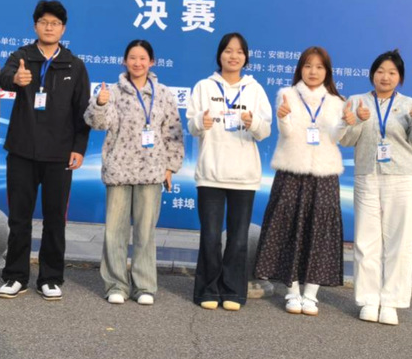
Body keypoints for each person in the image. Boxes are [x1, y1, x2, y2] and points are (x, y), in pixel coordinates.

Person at [0, 0, 91, 300]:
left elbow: (83, 111)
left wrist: (79, 148)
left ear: (63, 29)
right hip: (22, 151)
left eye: (55, 23)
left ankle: (50, 278)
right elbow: (4, 76)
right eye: (44, 22)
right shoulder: (22, 57)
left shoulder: (74, 65)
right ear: (35, 25)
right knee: (19, 218)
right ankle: (15, 276)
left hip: (59, 155)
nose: (49, 27)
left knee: (54, 219)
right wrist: (15, 78)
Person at [254, 46, 355, 315]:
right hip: (292, 171)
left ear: (327, 72)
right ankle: (292, 292)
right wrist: (283, 117)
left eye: (319, 67)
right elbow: (286, 133)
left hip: (324, 174)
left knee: (319, 233)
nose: (313, 72)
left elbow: (337, 137)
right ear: (300, 68)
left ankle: (311, 295)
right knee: (290, 230)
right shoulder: (287, 95)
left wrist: (346, 123)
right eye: (308, 66)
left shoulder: (336, 101)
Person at [84, 40, 184, 306]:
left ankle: (144, 286)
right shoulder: (113, 92)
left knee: (145, 232)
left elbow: (173, 132)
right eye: (132, 58)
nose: (137, 63)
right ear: (124, 61)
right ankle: (116, 284)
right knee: (114, 232)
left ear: (152, 62)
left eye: (142, 58)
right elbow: (97, 123)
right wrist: (101, 104)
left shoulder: (164, 94)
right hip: (119, 170)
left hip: (152, 171)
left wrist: (170, 167)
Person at [340, 49, 412, 325]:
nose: (385, 77)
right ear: (372, 75)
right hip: (367, 176)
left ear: (400, 77)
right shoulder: (356, 101)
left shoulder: (410, 104)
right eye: (380, 71)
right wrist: (357, 120)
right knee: (365, 242)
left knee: (399, 243)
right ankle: (368, 300)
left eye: (392, 72)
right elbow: (346, 140)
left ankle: (391, 302)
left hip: (404, 178)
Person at [187, 33, 272, 311]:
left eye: (239, 52)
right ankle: (207, 290)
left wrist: (252, 122)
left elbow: (265, 130)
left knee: (237, 239)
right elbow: (191, 125)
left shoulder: (255, 90)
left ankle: (233, 291)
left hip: (244, 176)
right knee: (211, 236)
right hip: (211, 172)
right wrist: (201, 122)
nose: (233, 56)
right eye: (228, 50)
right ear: (219, 55)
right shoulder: (204, 86)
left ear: (246, 57)